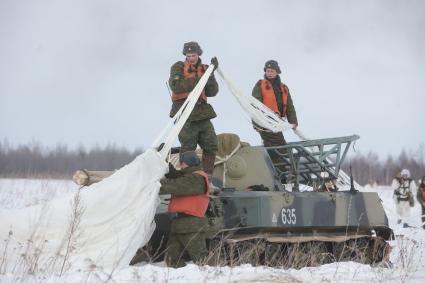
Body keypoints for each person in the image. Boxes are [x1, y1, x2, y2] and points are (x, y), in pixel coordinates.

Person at [168, 41, 219, 181]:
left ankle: (206, 178)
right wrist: (200, 79)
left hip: (202, 112)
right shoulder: (178, 67)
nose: (191, 58)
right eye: (188, 55)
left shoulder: (205, 69)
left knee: (211, 145)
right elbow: (176, 86)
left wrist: (211, 74)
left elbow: (213, 91)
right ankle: (187, 178)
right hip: (184, 112)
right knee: (188, 147)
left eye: (193, 55)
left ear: (199, 54)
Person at [159, 151, 210, 268]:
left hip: (190, 225)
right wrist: (163, 159)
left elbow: (176, 185)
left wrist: (154, 184)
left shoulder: (197, 178)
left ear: (188, 164)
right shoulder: (188, 176)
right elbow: (176, 175)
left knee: (202, 262)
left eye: (182, 163)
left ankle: (215, 278)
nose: (180, 165)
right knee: (172, 260)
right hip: (179, 225)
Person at [252, 60, 298, 146]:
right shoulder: (260, 85)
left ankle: (274, 158)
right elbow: (254, 105)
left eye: (272, 71)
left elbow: (289, 107)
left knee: (273, 148)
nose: (269, 73)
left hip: (278, 122)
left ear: (277, 72)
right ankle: (281, 158)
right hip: (265, 122)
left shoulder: (284, 88)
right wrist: (256, 124)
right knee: (280, 146)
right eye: (267, 71)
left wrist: (293, 121)